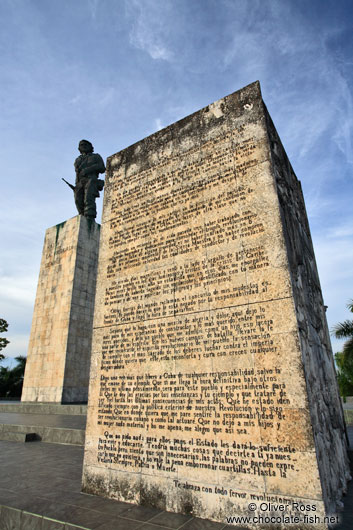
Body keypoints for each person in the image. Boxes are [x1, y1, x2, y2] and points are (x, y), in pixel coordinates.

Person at [74, 139, 105, 220]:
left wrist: (89, 169)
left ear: (90, 147)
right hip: (80, 181)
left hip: (91, 179)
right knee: (78, 199)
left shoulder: (96, 156)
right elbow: (77, 173)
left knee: (89, 198)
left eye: (85, 144)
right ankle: (82, 215)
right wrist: (76, 185)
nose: (83, 146)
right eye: (81, 145)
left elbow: (102, 168)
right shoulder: (78, 160)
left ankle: (90, 216)